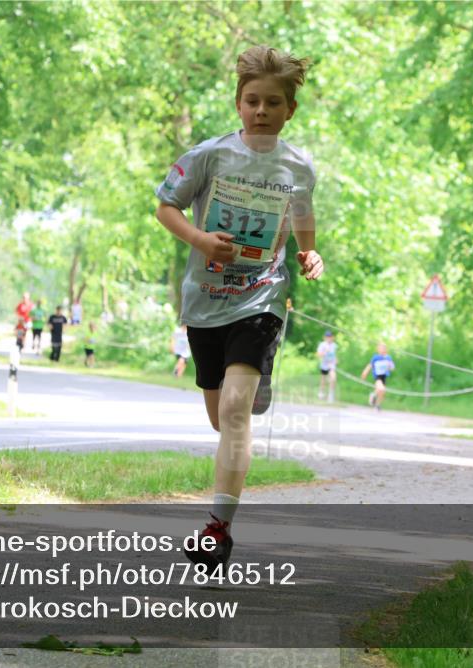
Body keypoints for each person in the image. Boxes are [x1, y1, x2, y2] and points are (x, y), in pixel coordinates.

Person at [154, 45, 322, 576]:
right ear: (238, 104)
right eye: (252, 101)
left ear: (290, 109)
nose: (261, 111)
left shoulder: (298, 166)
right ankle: (252, 388)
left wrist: (309, 252)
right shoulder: (209, 156)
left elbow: (302, 214)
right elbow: (166, 207)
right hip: (207, 301)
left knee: (232, 412)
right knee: (220, 417)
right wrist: (202, 240)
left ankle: (217, 529)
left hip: (262, 296)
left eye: (273, 102)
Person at [361, 343, 395, 411]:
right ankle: (373, 396)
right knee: (381, 388)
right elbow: (370, 366)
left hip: (384, 377)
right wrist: (364, 373)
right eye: (381, 348)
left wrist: (390, 366)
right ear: (378, 350)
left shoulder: (388, 358)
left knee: (382, 392)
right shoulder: (376, 358)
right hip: (377, 377)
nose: (383, 350)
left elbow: (392, 367)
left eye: (384, 348)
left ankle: (377, 404)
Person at [316, 330, 337, 402]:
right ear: (325, 337)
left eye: (330, 337)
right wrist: (325, 352)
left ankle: (331, 395)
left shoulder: (334, 345)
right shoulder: (322, 345)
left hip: (331, 365)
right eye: (327, 337)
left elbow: (335, 355)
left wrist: (336, 360)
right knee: (323, 380)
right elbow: (318, 355)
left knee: (333, 378)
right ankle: (321, 393)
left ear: (332, 337)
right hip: (324, 365)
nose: (329, 338)